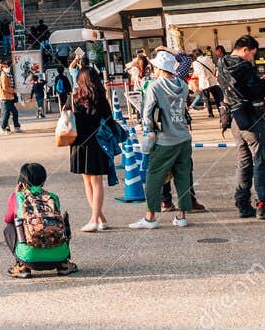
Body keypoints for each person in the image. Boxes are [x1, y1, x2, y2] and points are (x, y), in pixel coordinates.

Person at [222, 34, 265, 220]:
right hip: (252, 119)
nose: (252, 58)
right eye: (251, 54)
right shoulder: (243, 66)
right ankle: (264, 205)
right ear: (245, 50)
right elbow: (254, 90)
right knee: (262, 160)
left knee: (244, 161)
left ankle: (243, 203)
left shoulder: (222, 63)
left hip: (234, 118)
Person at [130, 50, 195, 229]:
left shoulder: (154, 86)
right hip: (183, 137)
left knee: (154, 176)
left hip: (164, 139)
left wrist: (149, 134)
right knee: (182, 177)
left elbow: (147, 114)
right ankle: (181, 216)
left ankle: (150, 218)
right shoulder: (183, 85)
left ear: (159, 67)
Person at [4, 162, 75, 276]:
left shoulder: (18, 197)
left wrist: (17, 194)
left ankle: (22, 267)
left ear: (21, 181)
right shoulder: (53, 197)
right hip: (58, 257)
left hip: (29, 259)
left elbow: (8, 219)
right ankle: (63, 265)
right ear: (44, 180)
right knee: (62, 223)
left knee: (10, 227)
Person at [68, 65, 115, 231]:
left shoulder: (74, 98)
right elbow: (110, 121)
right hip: (97, 143)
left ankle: (95, 219)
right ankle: (99, 218)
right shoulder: (101, 98)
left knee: (88, 182)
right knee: (96, 182)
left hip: (78, 144)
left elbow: (65, 117)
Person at [192, 49, 222, 116]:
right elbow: (213, 68)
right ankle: (221, 112)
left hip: (204, 83)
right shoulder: (208, 58)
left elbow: (197, 73)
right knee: (217, 98)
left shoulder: (195, 63)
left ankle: (210, 113)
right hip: (212, 81)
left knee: (206, 99)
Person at [0, 62, 22, 133]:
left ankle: (16, 127)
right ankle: (3, 127)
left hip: (9, 97)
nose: (8, 68)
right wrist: (13, 91)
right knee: (7, 113)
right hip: (5, 97)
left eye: (8, 67)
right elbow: (5, 87)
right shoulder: (4, 75)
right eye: (6, 67)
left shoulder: (7, 75)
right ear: (3, 68)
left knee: (14, 112)